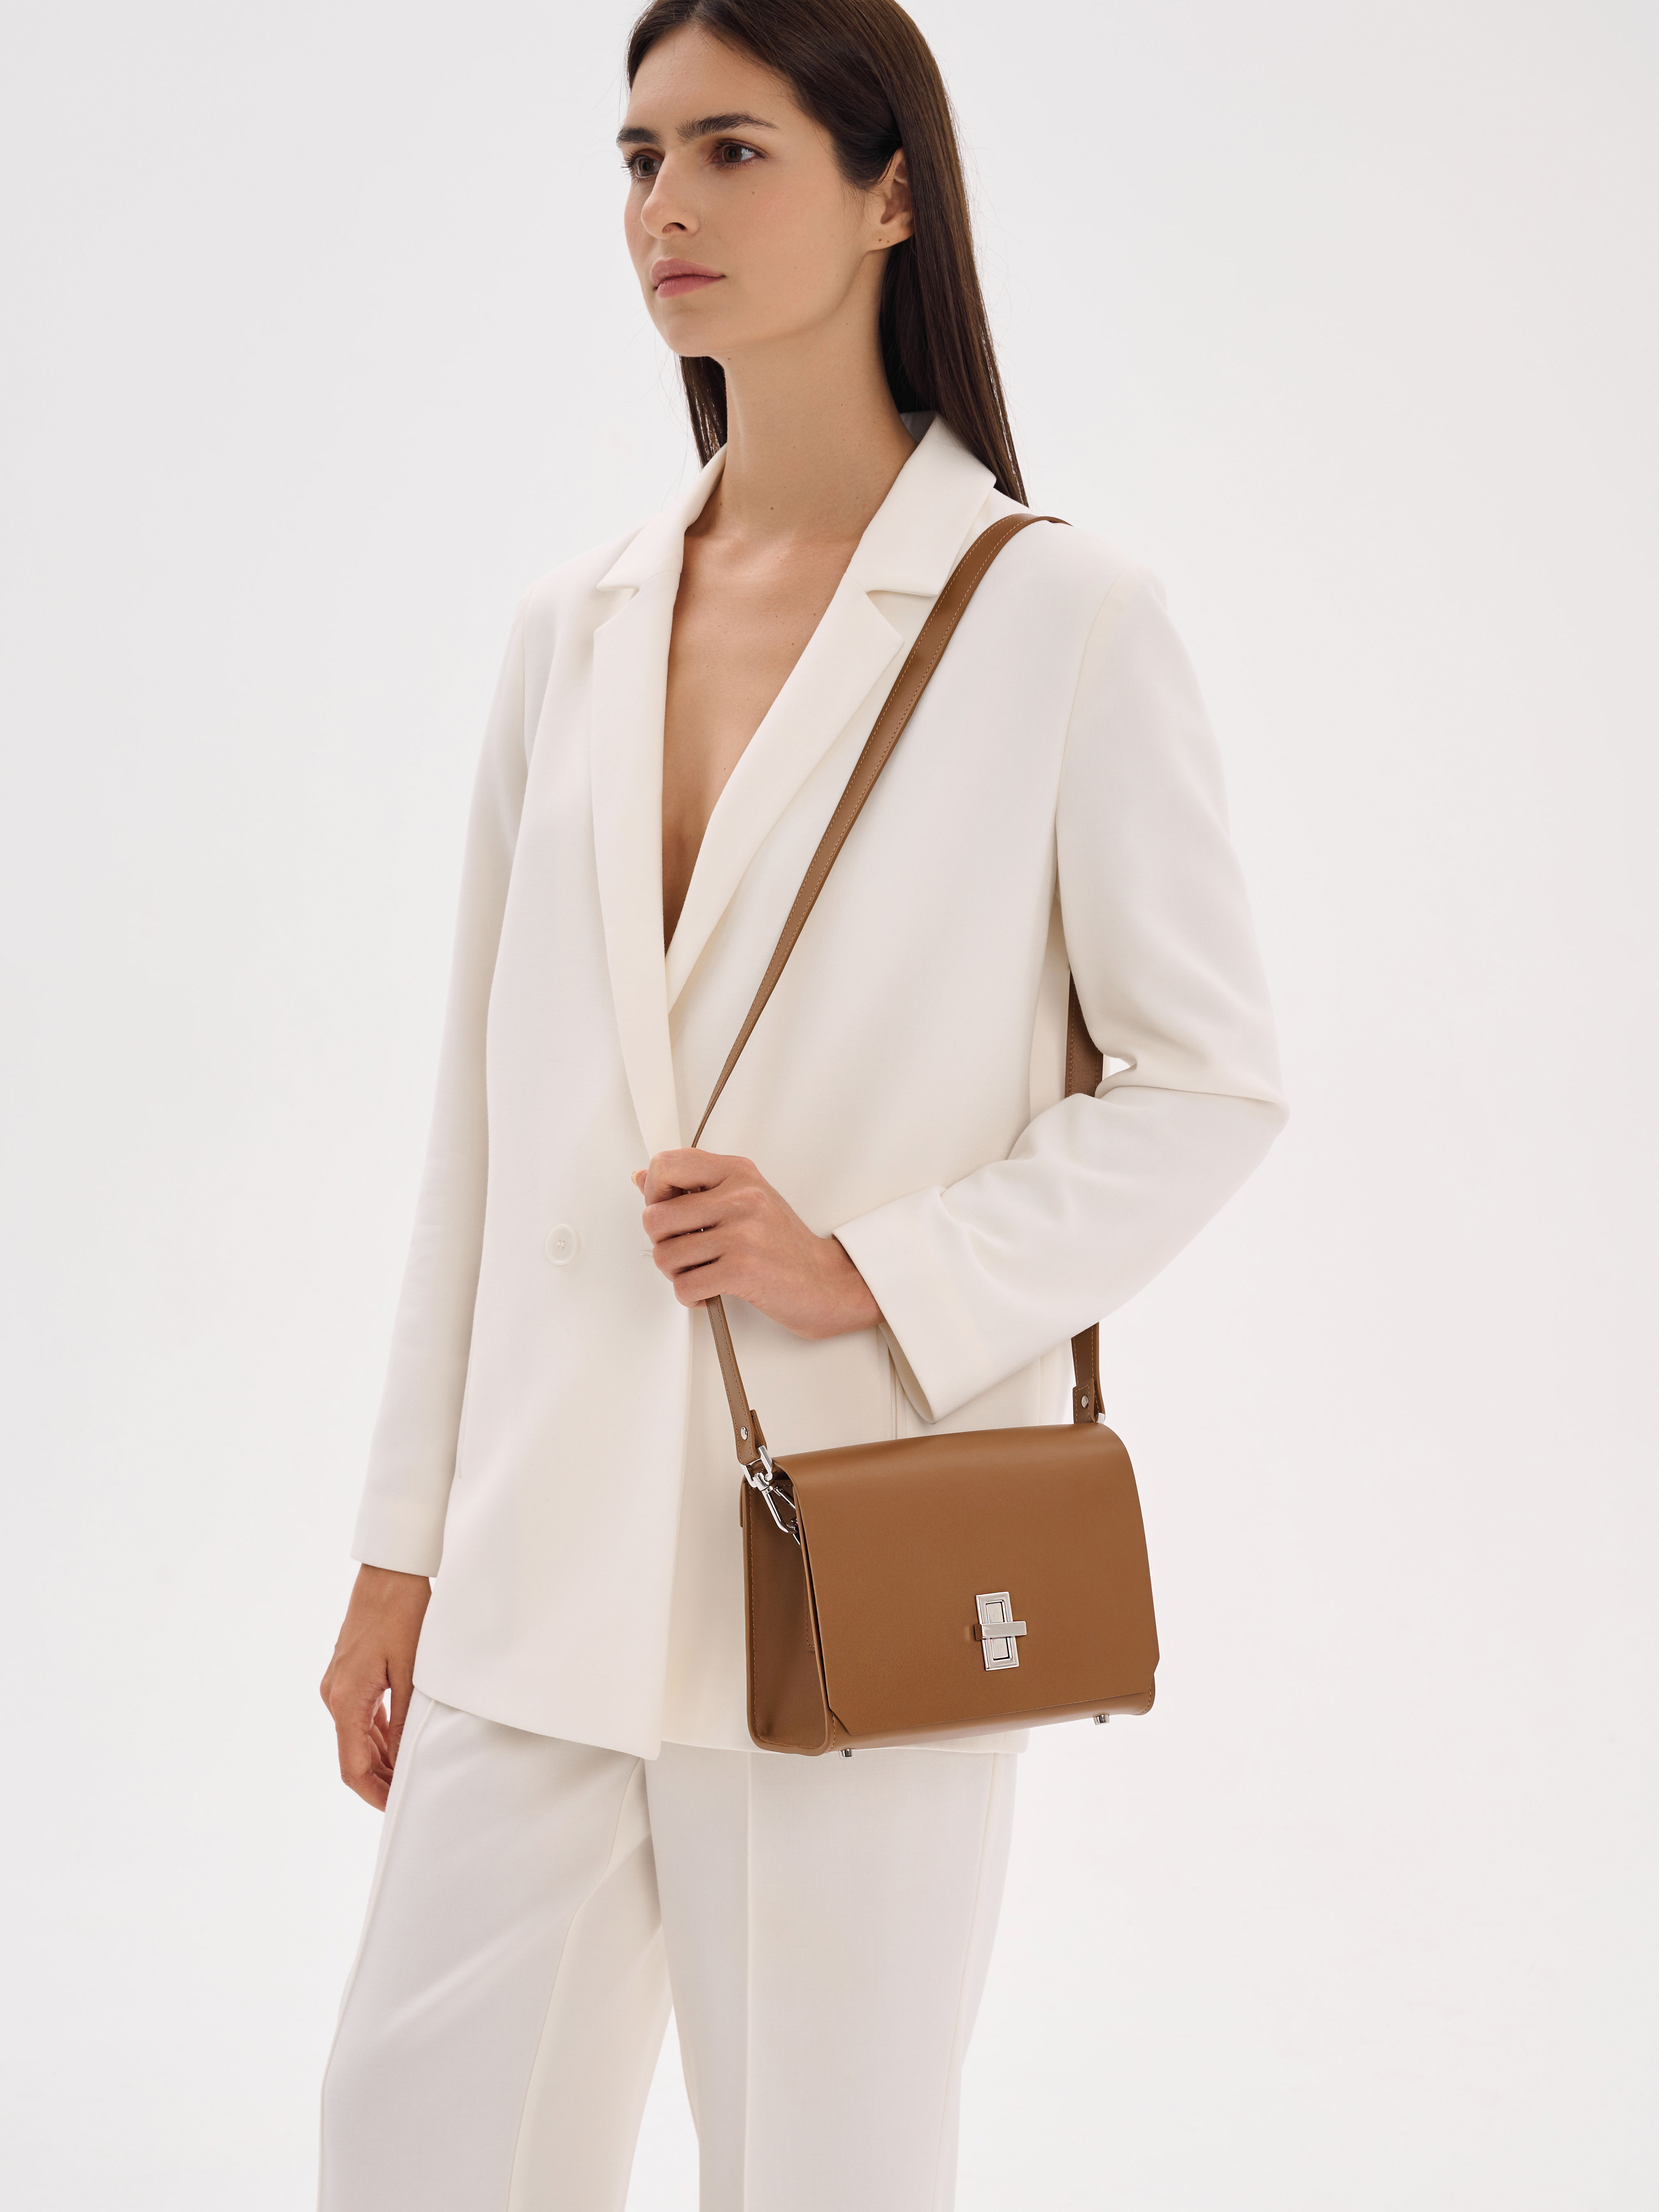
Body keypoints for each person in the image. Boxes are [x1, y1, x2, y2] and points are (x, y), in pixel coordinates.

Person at [316, 1, 1286, 2205]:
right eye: (637, 156)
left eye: (731, 150)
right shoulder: (567, 631)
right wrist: (398, 1548)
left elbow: (1209, 1081)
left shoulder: (1061, 622)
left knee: (828, 2170)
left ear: (889, 191)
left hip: (848, 1554)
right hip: (541, 1554)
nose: (663, 205)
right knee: (408, 2137)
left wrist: (879, 1270)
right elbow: (480, 1131)